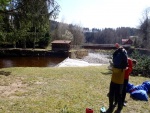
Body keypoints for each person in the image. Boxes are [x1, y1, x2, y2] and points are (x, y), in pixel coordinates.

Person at [107, 44, 128, 113]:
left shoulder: (117, 53)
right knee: (119, 94)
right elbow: (126, 64)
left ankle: (111, 107)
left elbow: (113, 57)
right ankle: (119, 107)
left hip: (114, 77)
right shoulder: (124, 54)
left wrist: (118, 50)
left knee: (111, 93)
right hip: (120, 78)